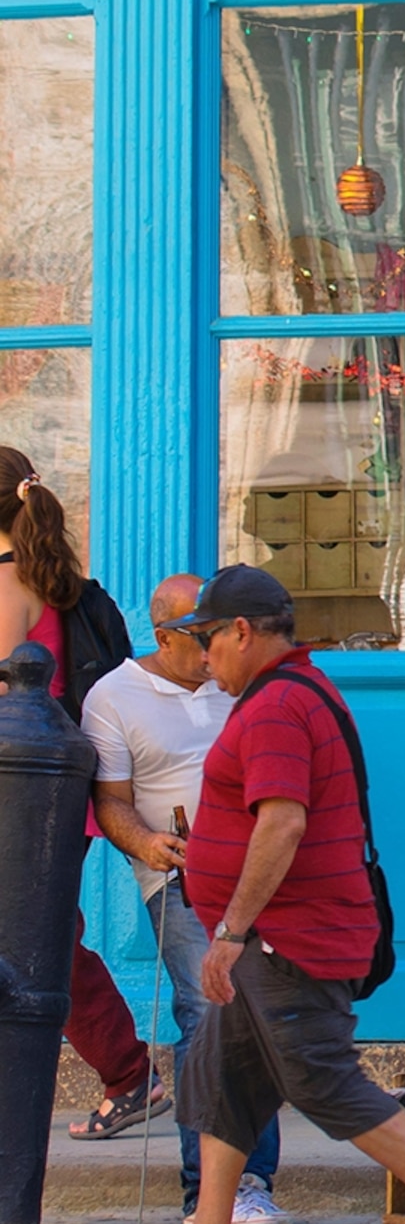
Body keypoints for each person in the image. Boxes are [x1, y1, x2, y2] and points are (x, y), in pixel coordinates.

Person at [132, 565, 405, 1224]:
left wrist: (233, 929)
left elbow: (282, 821)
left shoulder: (274, 707)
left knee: (323, 1080)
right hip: (275, 939)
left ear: (242, 632)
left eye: (208, 639)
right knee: (220, 1078)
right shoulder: (293, 691)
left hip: (286, 940)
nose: (203, 658)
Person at [83, 573, 288, 1224]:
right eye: (198, 637)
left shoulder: (242, 680)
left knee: (269, 1019)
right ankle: (212, 1193)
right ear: (167, 634)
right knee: (207, 1009)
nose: (211, 652)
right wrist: (146, 841)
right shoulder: (114, 696)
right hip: (180, 876)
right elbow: (110, 799)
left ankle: (251, 1182)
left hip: (262, 870)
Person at [0, 444, 161, 1143]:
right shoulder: (50, 578)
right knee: (45, 937)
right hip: (51, 787)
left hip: (20, 789)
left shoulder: (8, 587)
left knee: (40, 942)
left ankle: (129, 1073)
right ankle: (127, 1073)